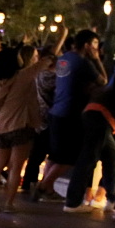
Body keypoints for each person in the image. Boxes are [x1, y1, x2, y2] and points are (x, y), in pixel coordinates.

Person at [34, 30, 106, 202]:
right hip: (71, 113)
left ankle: (46, 187)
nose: (97, 48)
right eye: (95, 44)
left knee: (55, 154)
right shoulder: (83, 62)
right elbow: (103, 81)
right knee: (70, 156)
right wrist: (96, 59)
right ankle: (44, 186)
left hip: (57, 110)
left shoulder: (64, 58)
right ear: (87, 45)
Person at [63, 52, 115, 213]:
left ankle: (111, 199)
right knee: (89, 159)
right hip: (101, 118)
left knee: (112, 157)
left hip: (95, 115)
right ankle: (73, 202)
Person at [0, 45, 46, 212]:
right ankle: (9, 203)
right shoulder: (22, 76)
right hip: (20, 125)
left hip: (0, 126)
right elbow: (47, 61)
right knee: (16, 167)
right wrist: (62, 37)